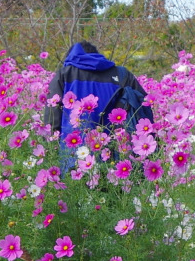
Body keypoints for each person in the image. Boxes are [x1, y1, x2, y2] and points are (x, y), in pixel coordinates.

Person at [42, 42, 152, 170]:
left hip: (74, 160)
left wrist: (50, 157)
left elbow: (52, 121)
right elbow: (144, 109)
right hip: (118, 160)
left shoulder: (64, 74)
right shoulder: (122, 74)